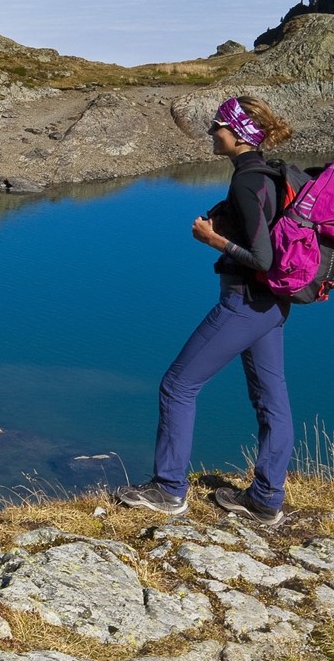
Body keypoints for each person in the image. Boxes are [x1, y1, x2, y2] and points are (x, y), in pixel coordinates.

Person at [115, 95, 295, 528]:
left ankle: (169, 490)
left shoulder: (247, 183)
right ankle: (266, 499)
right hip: (272, 306)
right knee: (271, 400)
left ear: (237, 134)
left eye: (218, 125)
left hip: (245, 303)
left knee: (177, 386)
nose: (212, 132)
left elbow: (263, 258)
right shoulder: (272, 175)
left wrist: (212, 240)